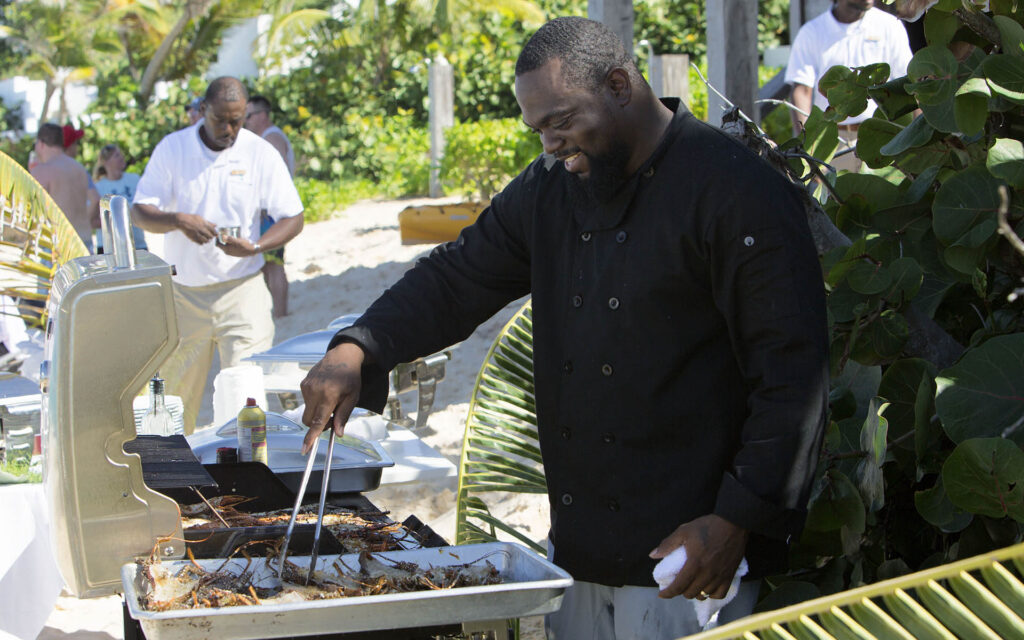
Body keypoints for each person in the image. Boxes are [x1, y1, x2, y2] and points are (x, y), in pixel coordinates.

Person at [300, 17, 828, 640]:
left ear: (618, 84)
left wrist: (738, 519)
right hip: (579, 548)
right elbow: (457, 278)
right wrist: (358, 347)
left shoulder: (735, 191)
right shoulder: (549, 191)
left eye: (561, 121)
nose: (550, 145)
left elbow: (792, 375)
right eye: (538, 129)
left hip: (691, 555)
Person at [132, 76, 304, 433]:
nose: (229, 129)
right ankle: (178, 479)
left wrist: (255, 246)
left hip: (243, 291)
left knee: (246, 398)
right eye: (221, 120)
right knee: (175, 404)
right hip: (182, 295)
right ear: (202, 110)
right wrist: (177, 220)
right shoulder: (173, 149)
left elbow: (293, 216)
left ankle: (247, 480)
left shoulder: (258, 151)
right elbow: (140, 210)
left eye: (238, 120)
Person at [785, 0, 913, 171]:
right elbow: (802, 91)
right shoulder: (812, 32)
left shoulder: (890, 26)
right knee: (833, 197)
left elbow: (910, 85)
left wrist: (919, 140)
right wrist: (808, 148)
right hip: (831, 141)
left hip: (883, 138)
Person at [244, 94, 294, 317]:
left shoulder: (271, 138)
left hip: (271, 213)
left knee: (273, 264)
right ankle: (277, 311)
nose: (246, 121)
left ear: (263, 115)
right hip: (269, 212)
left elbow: (278, 174)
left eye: (249, 116)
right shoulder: (266, 137)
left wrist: (264, 205)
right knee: (266, 264)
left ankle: (281, 313)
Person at [29, 123, 99, 249]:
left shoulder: (41, 170)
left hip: (57, 245)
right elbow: (95, 199)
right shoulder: (79, 168)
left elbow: (31, 210)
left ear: (40, 144)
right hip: (84, 241)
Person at [93, 143, 147, 251]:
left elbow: (144, 205)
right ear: (106, 162)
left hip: (137, 244)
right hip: (109, 248)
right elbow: (93, 221)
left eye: (121, 154)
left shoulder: (134, 179)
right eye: (117, 155)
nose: (122, 158)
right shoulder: (98, 187)